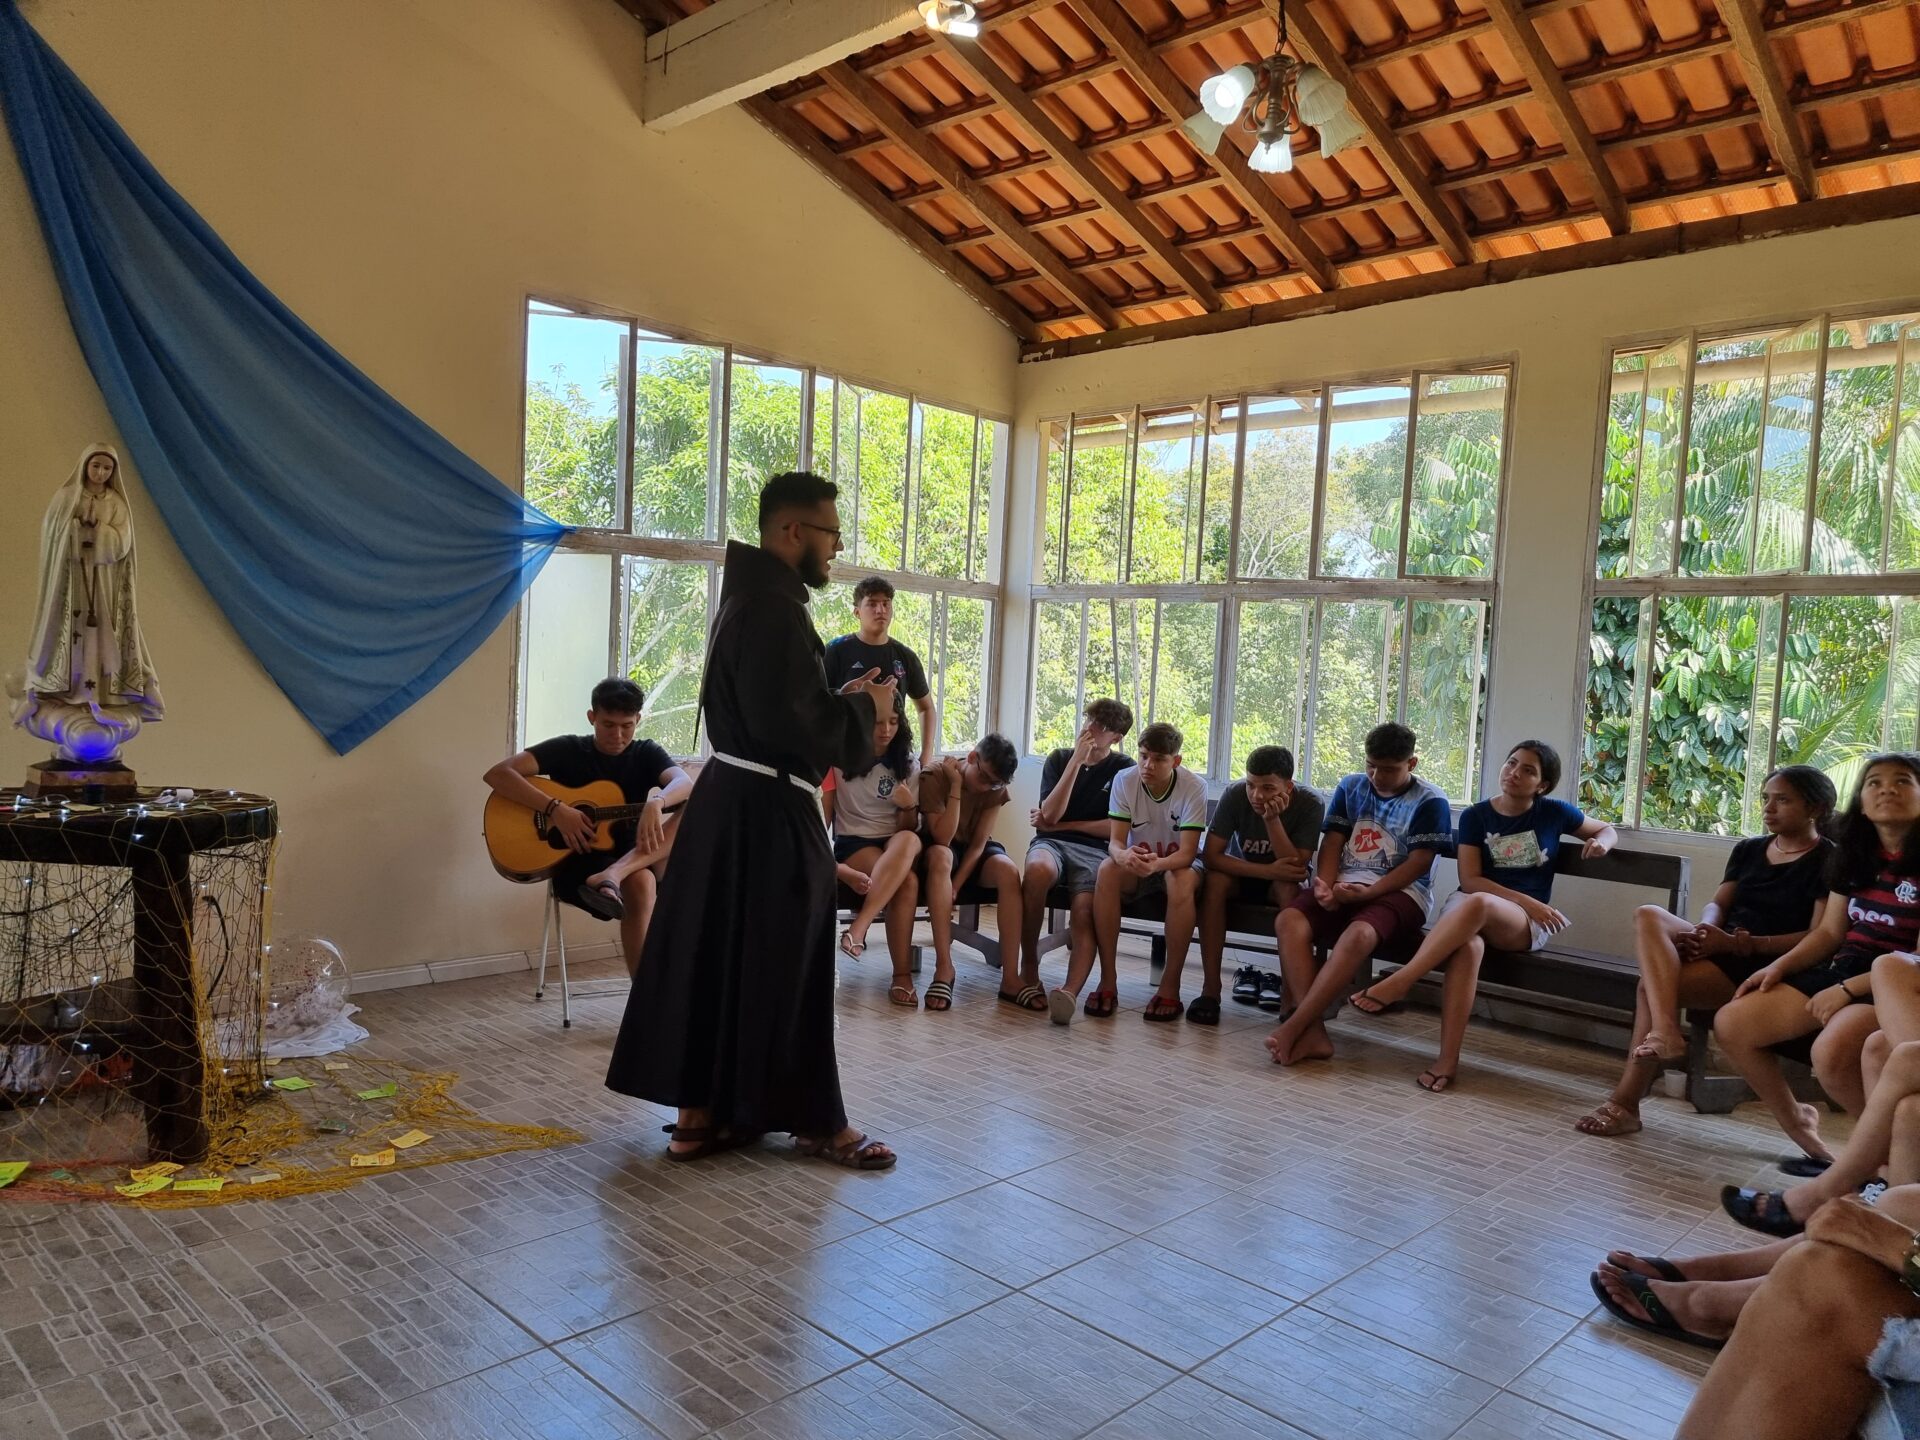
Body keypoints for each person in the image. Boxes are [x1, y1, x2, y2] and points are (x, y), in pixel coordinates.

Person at [604, 471, 899, 1170]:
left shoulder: (752, 596)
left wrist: (837, 698)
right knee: (788, 964)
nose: (837, 548)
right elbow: (797, 723)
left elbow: (779, 709)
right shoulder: (773, 607)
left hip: (732, 804)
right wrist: (869, 708)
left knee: (720, 958)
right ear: (793, 531)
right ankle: (818, 1123)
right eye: (830, 533)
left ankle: (703, 1117)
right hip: (767, 814)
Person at [1574, 764, 1837, 1139]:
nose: (1768, 808)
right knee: (1649, 915)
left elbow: (1817, 936)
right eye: (1766, 798)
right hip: (1722, 947)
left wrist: (1739, 943)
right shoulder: (1749, 849)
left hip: (1772, 964)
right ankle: (1664, 1033)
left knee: (1650, 987)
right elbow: (1719, 903)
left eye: (1783, 800)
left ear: (1816, 808)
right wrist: (1705, 928)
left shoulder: (1829, 859)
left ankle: (1628, 1099)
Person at [1350, 740, 1616, 1093]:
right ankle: (1447, 1061)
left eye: (1528, 770)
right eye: (1511, 763)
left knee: (1479, 906)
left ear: (1542, 785)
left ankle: (1404, 979)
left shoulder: (1555, 812)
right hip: (1474, 906)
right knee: (1468, 946)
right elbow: (1471, 880)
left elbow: (1605, 828)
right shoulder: (1476, 816)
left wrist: (1602, 844)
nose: (1514, 773)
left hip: (1520, 921)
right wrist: (1528, 901)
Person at [1713, 753, 1920, 1163]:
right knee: (1733, 1023)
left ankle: (1886, 1159)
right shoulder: (1855, 856)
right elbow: (1828, 933)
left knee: (1832, 1053)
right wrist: (1778, 967)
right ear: (1861, 802)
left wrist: (1845, 991)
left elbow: (1914, 959)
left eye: (1902, 781)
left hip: (1896, 984)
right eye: (1874, 782)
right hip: (1845, 967)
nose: (1887, 790)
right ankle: (1863, 1152)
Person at [1265, 722, 1451, 1067]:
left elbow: (1419, 863)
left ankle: (1295, 1027)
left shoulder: (1430, 800)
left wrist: (1369, 893)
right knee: (1289, 920)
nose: (1377, 776)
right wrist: (1324, 884)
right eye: (1371, 765)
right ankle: (1313, 1031)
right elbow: (1333, 842)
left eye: (1389, 769)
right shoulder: (1351, 786)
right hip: (1344, 884)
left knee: (1360, 933)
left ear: (1411, 764)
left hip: (1402, 892)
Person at [483, 677, 693, 978]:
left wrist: (656, 802)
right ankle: (643, 994)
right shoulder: (568, 749)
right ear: (592, 717)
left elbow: (683, 782)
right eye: (608, 725)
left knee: (692, 808)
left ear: (638, 720)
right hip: (576, 861)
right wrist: (555, 809)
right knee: (644, 882)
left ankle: (613, 877)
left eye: (627, 726)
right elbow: (498, 774)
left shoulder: (645, 752)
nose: (618, 735)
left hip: (632, 856)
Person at [1049, 721, 1207, 1026]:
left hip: (1177, 864)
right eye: (1144, 756)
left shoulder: (1194, 786)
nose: (1148, 765)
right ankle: (1108, 980)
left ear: (1175, 761)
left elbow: (1188, 853)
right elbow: (1116, 843)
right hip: (1138, 862)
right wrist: (1123, 856)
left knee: (1179, 878)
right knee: (1108, 869)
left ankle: (1170, 985)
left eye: (1158, 759)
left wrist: (1157, 864)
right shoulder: (1125, 779)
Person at [15, 442, 164, 760]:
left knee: (102, 637)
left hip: (104, 584)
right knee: (71, 639)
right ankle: (69, 693)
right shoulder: (67, 497)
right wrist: (73, 530)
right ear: (85, 466)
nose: (100, 473)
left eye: (107, 468)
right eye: (96, 466)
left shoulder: (116, 503)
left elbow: (122, 541)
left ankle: (101, 695)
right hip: (71, 585)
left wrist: (101, 534)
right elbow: (53, 535)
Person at [1014, 699, 1135, 1015]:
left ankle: (1068, 991)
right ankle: (1029, 964)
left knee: (1083, 910)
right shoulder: (1059, 758)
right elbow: (1050, 813)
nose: (1090, 728)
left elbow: (1115, 828)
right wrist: (1076, 762)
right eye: (1089, 719)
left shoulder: (1124, 768)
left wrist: (1062, 825)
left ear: (1116, 737)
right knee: (1037, 870)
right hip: (1051, 844)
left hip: (1095, 851)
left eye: (1101, 726)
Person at [1193, 746, 1324, 1026]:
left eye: (1268, 788)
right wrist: (1266, 870)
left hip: (1282, 881)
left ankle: (1290, 998)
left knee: (1288, 889)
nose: (1257, 795)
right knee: (1214, 882)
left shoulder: (1310, 803)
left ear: (1288, 787)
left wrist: (1272, 820)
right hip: (1243, 874)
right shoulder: (1235, 794)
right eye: (1251, 785)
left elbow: (1295, 867)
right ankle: (1210, 990)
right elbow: (1212, 856)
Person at [826, 693, 927, 1007]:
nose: (886, 730)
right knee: (907, 882)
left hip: (896, 842)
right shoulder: (839, 758)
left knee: (910, 840)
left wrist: (908, 806)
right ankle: (902, 977)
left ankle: (858, 929)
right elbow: (824, 816)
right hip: (855, 843)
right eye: (878, 722)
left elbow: (908, 827)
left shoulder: (907, 763)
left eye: (893, 722)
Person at [919, 734, 1021, 1009]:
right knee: (941, 856)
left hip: (972, 851)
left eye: (995, 784)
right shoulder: (935, 775)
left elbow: (978, 845)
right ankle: (944, 967)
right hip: (942, 846)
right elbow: (941, 837)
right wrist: (955, 785)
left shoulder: (995, 789)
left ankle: (1011, 976)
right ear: (973, 757)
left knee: (1009, 871)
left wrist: (956, 885)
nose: (987, 787)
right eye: (984, 778)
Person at [823, 576, 936, 769]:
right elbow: (817, 703)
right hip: (846, 759)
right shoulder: (835, 650)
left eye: (886, 604)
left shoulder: (905, 656)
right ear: (857, 612)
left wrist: (926, 756)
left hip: (894, 761)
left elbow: (926, 708)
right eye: (872, 604)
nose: (880, 610)